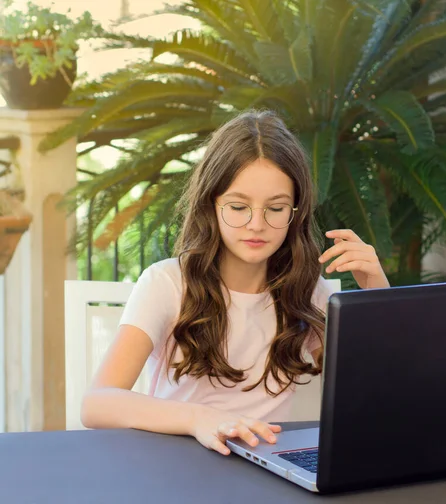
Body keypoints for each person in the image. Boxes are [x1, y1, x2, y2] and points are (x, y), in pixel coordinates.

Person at [81, 110, 390, 455]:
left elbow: (372, 393)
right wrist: (200, 419)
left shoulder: (306, 291)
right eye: (238, 206)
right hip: (178, 464)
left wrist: (377, 291)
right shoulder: (167, 283)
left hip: (269, 470)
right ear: (211, 205)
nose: (256, 224)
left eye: (276, 208)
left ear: (296, 213)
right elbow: (97, 404)